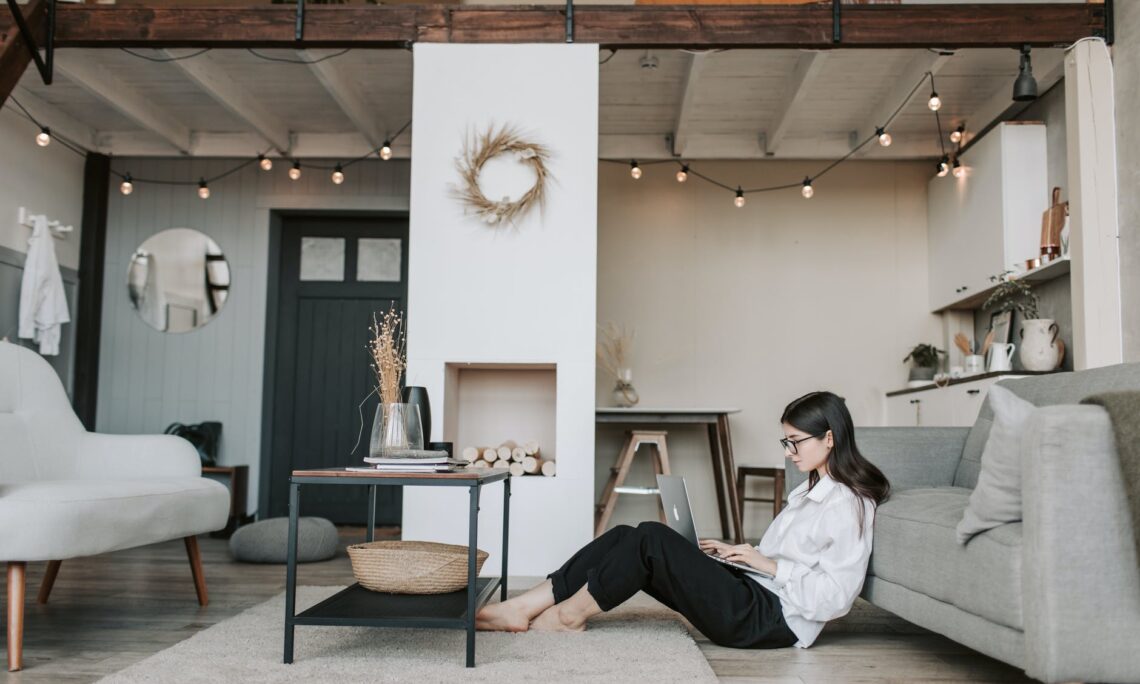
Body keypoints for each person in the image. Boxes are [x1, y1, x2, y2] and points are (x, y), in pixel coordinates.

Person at [475, 391, 891, 649]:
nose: (788, 452)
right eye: (786, 441)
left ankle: (568, 617)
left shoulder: (849, 505)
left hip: (771, 621)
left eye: (795, 441)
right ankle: (527, 605)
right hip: (754, 593)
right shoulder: (809, 491)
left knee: (651, 539)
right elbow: (787, 560)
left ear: (829, 438)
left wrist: (767, 565)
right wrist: (742, 554)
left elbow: (836, 599)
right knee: (626, 534)